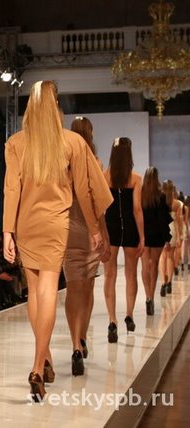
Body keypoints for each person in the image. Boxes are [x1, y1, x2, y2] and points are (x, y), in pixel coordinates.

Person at [3, 80, 104, 402]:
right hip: (56, 223)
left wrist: (8, 231)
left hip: (26, 223)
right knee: (47, 290)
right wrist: (94, 228)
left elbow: (12, 189)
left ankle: (43, 357)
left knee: (34, 293)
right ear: (56, 105)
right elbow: (84, 191)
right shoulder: (72, 141)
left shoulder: (16, 142)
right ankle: (38, 364)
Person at [63, 117, 112, 376]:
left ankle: (75, 344)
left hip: (67, 228)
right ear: (90, 135)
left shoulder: (62, 164)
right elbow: (98, 204)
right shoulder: (95, 163)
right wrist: (103, 234)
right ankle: (82, 338)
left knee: (73, 287)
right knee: (88, 287)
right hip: (90, 228)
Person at [102, 137, 144, 341]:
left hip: (110, 228)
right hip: (129, 229)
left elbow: (101, 208)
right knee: (131, 274)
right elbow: (136, 209)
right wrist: (142, 236)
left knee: (109, 275)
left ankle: (112, 320)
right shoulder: (135, 178)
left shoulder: (104, 177)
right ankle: (129, 314)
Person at [141, 167, 172, 314]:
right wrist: (167, 238)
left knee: (144, 266)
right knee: (153, 265)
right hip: (157, 236)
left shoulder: (140, 195)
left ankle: (147, 296)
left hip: (143, 235)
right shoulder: (161, 196)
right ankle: (151, 297)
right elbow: (163, 220)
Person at [159, 180, 183, 296]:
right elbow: (178, 221)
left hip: (161, 229)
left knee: (162, 256)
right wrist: (178, 236)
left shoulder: (159, 201)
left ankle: (162, 283)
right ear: (173, 190)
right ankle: (169, 283)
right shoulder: (177, 204)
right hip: (172, 230)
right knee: (170, 257)